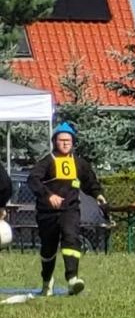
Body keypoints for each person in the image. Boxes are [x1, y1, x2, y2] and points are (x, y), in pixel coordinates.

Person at [27, 121, 106, 296]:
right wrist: (48, 196)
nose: (65, 143)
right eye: (61, 140)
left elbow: (90, 181)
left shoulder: (79, 163)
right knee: (48, 248)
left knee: (71, 237)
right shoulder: (47, 162)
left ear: (73, 143)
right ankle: (47, 282)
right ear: (55, 141)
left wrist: (98, 195)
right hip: (47, 213)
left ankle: (72, 279)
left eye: (68, 141)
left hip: (70, 210)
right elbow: (33, 180)